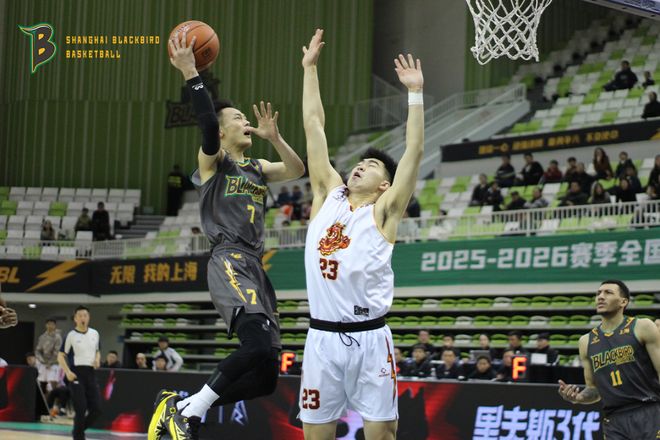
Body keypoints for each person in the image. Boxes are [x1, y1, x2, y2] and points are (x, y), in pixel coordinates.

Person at [150, 29, 305, 440]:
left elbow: (296, 170)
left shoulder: (257, 168)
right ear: (222, 132)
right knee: (255, 346)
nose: (245, 122)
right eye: (238, 118)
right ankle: (189, 412)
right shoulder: (214, 163)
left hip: (256, 266)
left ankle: (183, 405)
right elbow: (205, 122)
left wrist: (276, 138)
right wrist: (191, 72)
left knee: (266, 376)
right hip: (229, 259)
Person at [298, 29, 424, 439]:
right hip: (321, 338)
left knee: (382, 433)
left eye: (371, 165)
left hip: (370, 339)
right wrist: (310, 69)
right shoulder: (327, 195)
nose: (360, 165)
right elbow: (314, 125)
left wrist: (415, 94)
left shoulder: (384, 212)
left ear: (385, 185)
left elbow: (414, 153)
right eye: (360, 162)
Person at [558, 280, 660, 439]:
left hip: (648, 411)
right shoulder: (586, 341)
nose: (600, 297)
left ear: (623, 302)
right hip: (614, 420)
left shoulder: (642, 327)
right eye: (598, 293)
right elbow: (594, 390)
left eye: (608, 293)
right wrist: (577, 398)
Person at [58, 305, 102, 440]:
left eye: (85, 315)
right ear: (75, 318)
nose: (83, 318)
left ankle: (77, 431)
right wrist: (67, 372)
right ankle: (79, 437)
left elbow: (97, 351)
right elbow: (60, 356)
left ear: (89, 317)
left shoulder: (95, 333)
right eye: (80, 315)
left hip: (90, 373)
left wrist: (97, 360)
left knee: (97, 409)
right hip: (76, 373)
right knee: (81, 408)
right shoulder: (71, 335)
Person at [36, 318, 63, 393]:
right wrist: (42, 360)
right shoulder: (42, 337)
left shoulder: (58, 337)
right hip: (43, 363)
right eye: (48, 324)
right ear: (46, 325)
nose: (50, 326)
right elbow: (38, 350)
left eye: (52, 324)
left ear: (55, 326)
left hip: (54, 363)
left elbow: (57, 351)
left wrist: (50, 362)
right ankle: (43, 399)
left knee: (53, 384)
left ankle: (54, 399)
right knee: (42, 383)